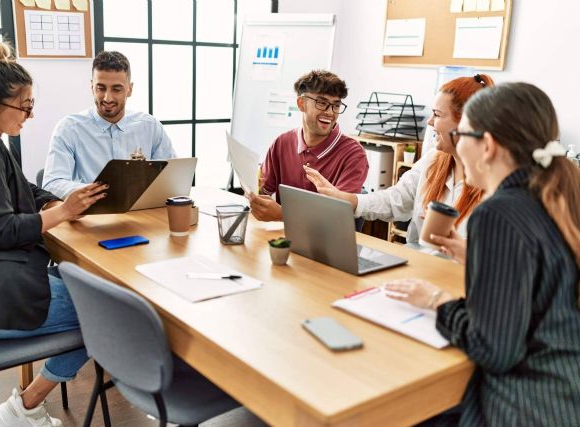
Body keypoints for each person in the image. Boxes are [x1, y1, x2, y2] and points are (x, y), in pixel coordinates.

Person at [385, 82, 580, 425]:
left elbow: (493, 349)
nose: (456, 144)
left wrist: (438, 302)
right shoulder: (554, 198)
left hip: (523, 407)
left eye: (461, 134)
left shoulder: (498, 212)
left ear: (487, 145)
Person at [0, 33, 107, 426]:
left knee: (93, 296)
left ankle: (23, 408)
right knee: (104, 312)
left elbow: (22, 189)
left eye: (31, 105)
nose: (29, 116)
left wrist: (52, 202)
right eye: (24, 107)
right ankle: (24, 407)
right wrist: (63, 212)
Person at [304, 75, 493, 251]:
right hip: (417, 263)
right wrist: (348, 200)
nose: (429, 122)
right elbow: (396, 200)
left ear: (466, 122)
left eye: (437, 114)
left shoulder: (494, 183)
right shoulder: (434, 159)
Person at [42, 50, 176, 199]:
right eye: (101, 88)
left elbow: (172, 177)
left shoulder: (150, 126)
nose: (107, 98)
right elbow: (52, 184)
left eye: (116, 89)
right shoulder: (69, 129)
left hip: (141, 212)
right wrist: (97, 191)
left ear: (129, 89)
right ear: (92, 87)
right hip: (92, 214)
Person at [248, 70, 368, 222]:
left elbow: (337, 216)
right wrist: (251, 188)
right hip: (282, 239)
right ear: (301, 104)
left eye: (336, 106)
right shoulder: (282, 143)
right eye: (322, 103)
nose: (330, 113)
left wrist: (283, 215)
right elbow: (263, 191)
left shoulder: (354, 154)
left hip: (327, 242)